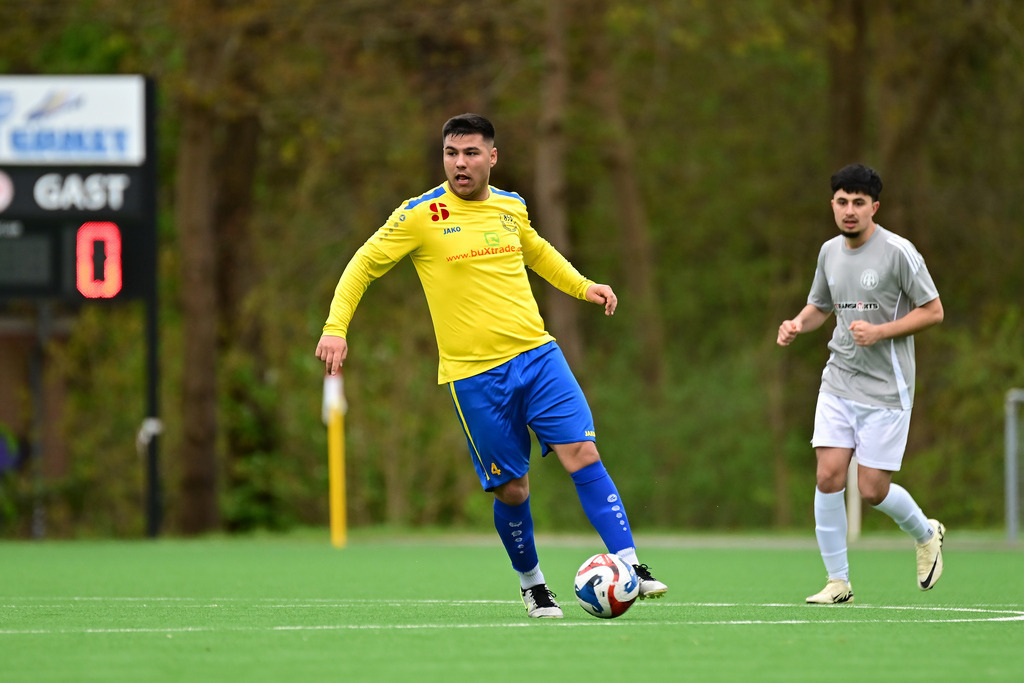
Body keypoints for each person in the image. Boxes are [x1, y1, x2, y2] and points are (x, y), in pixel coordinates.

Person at [315, 113, 667, 618]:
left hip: (538, 355)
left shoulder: (511, 206)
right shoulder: (419, 215)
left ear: (492, 157)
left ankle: (631, 563)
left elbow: (536, 251)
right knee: (512, 488)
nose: (460, 163)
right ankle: (533, 584)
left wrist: (583, 286)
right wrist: (335, 327)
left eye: (471, 153)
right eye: (451, 154)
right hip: (475, 376)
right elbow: (362, 265)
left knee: (583, 453)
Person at [777, 163, 945, 605]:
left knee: (871, 489)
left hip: (888, 390)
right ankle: (838, 582)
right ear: (832, 205)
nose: (849, 210)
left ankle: (927, 533)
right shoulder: (829, 251)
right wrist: (796, 324)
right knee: (828, 476)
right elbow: (819, 307)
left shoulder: (899, 252)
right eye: (842, 202)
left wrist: (881, 331)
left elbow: (933, 311)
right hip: (839, 380)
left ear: (874, 207)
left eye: (858, 203)